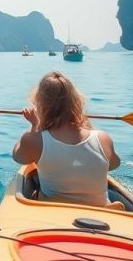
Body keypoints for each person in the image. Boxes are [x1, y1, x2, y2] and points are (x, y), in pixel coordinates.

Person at [11, 71, 121, 207]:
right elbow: (114, 165)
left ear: (41, 105)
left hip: (55, 211)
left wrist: (34, 126)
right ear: (76, 103)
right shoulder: (103, 138)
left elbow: (18, 157)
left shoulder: (34, 140)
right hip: (103, 211)